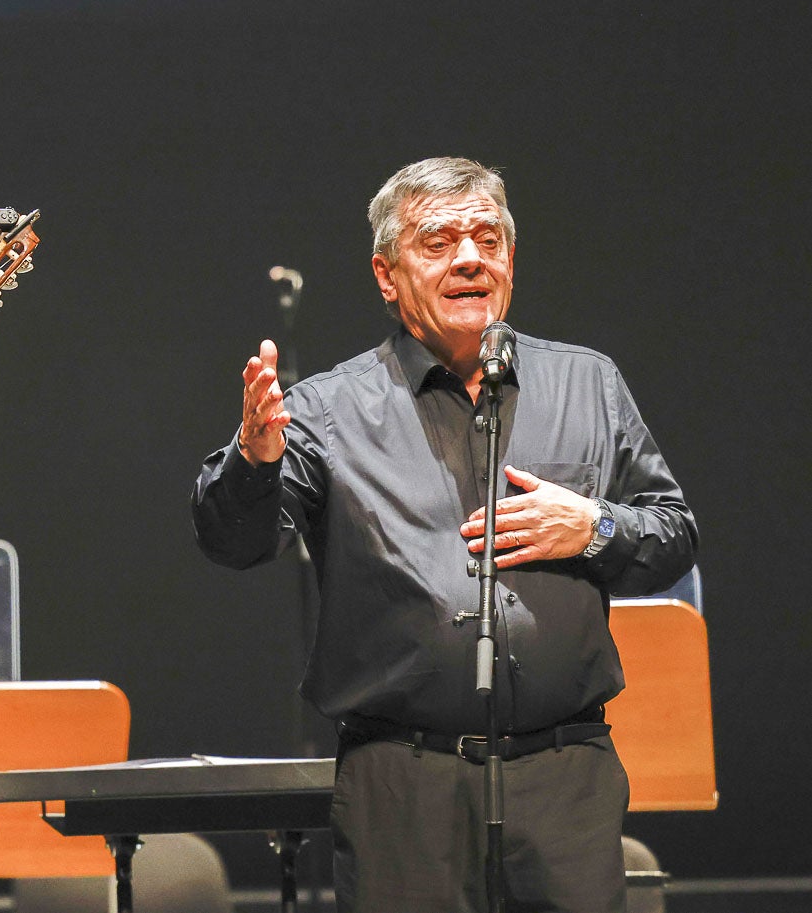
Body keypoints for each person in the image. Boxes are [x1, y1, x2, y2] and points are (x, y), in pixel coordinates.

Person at [191, 157, 697, 913]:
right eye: (437, 242)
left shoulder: (586, 383)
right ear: (386, 275)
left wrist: (592, 527)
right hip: (403, 786)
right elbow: (232, 540)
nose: (468, 257)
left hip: (565, 776)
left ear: (510, 260)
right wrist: (255, 459)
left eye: (486, 239)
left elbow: (672, 533)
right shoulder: (326, 410)